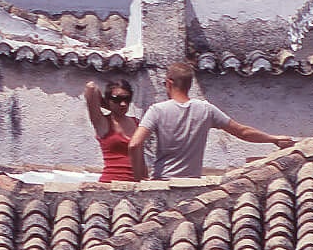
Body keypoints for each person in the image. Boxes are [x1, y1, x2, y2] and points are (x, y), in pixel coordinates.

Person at [130, 58, 290, 181]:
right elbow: (243, 132)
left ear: (169, 83)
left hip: (162, 182)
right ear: (189, 85)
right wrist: (274, 139)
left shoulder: (157, 110)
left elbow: (135, 144)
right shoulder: (206, 109)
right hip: (191, 184)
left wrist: (139, 176)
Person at [83, 76, 139, 182]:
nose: (123, 104)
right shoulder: (103, 122)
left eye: (127, 99)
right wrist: (108, 105)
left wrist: (115, 103)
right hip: (111, 182)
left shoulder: (137, 123)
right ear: (108, 100)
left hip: (135, 183)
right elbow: (91, 88)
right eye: (117, 99)